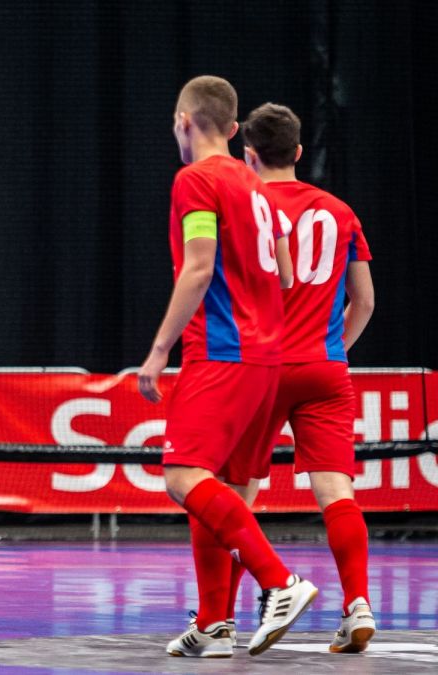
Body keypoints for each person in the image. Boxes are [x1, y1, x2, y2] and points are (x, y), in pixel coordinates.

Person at [137, 75, 317, 658]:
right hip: (268, 361)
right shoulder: (259, 186)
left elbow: (198, 267)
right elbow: (288, 276)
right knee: (224, 492)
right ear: (235, 129)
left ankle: (280, 583)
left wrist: (160, 350)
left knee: (182, 478)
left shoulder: (196, 180)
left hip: (222, 355)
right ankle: (215, 625)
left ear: (184, 121)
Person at [241, 102, 376, 653]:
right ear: (298, 151)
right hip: (325, 367)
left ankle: (220, 619)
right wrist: (331, 350)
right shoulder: (341, 212)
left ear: (249, 155)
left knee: (233, 496)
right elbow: (364, 302)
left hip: (258, 369)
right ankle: (358, 604)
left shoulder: (244, 205)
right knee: (337, 491)